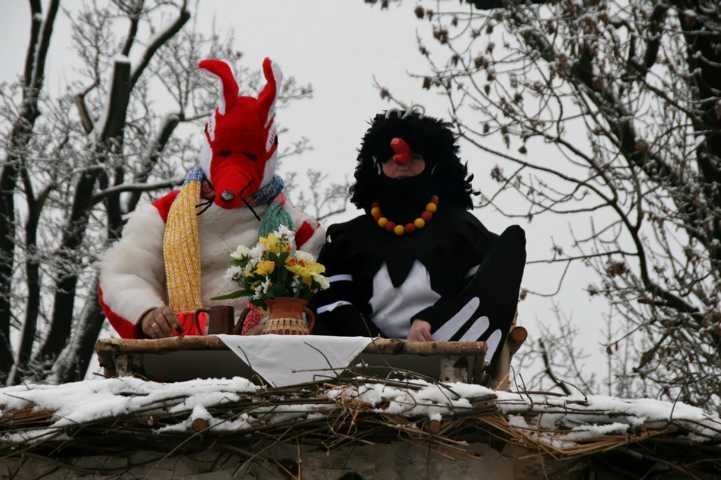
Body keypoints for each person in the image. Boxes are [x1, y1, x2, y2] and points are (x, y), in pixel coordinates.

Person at [98, 58, 324, 339]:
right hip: (177, 350)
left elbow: (316, 295)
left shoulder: (298, 228)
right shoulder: (165, 213)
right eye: (225, 154)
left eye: (251, 157)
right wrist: (147, 313)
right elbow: (124, 274)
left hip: (265, 356)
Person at [310, 109, 526, 365]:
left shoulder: (463, 231)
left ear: (433, 165)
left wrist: (432, 320)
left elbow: (483, 288)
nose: (401, 165)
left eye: (414, 158)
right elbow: (332, 301)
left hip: (446, 356)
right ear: (376, 166)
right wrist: (378, 345)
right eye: (390, 158)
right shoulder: (346, 239)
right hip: (360, 360)